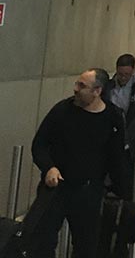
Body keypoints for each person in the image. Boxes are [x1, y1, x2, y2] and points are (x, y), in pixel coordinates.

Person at [30, 68, 129, 258]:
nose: (75, 89)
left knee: (86, 245)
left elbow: (116, 158)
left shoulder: (112, 117)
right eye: (77, 83)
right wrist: (49, 167)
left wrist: (123, 192)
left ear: (97, 91)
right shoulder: (62, 111)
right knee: (41, 241)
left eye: (82, 86)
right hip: (56, 187)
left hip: (88, 190)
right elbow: (39, 145)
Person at [105, 55, 135, 172]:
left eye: (127, 74)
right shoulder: (110, 86)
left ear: (133, 70)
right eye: (120, 74)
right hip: (115, 128)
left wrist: (127, 138)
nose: (123, 78)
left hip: (133, 131)